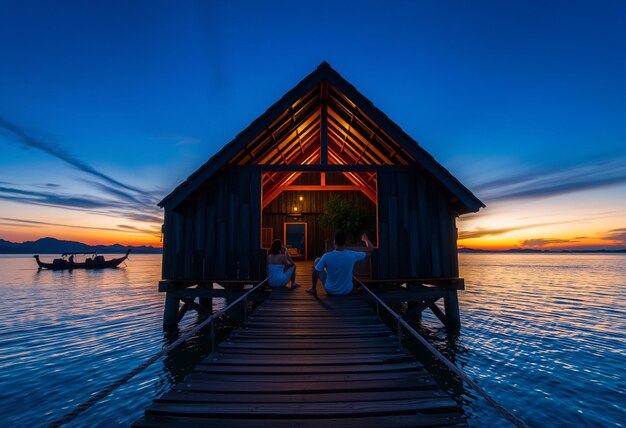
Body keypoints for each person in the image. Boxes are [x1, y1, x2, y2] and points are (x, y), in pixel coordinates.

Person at [307, 231, 374, 296]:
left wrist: (314, 287)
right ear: (345, 242)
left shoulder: (326, 256)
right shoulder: (352, 255)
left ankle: (313, 289)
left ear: (334, 242)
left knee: (317, 261)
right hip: (347, 290)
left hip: (331, 290)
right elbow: (370, 250)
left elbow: (316, 272)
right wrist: (366, 240)